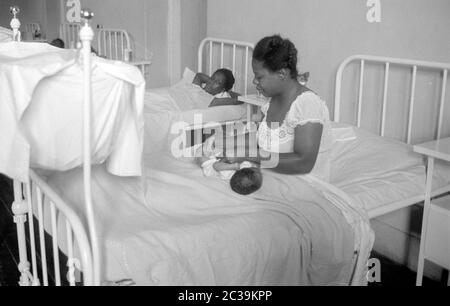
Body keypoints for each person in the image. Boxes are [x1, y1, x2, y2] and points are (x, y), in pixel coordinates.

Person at [225, 35, 332, 181]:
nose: (254, 81)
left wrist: (249, 154)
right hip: (272, 177)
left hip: (304, 184)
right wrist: (223, 142)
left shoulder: (307, 104)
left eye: (259, 76)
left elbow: (303, 163)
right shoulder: (271, 100)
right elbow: (263, 137)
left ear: (281, 74)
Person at [195, 135, 262, 195]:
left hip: (210, 164)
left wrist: (230, 166)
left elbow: (215, 166)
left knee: (201, 158)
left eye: (255, 170)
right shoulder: (246, 167)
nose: (257, 169)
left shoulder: (227, 174)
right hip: (219, 155)